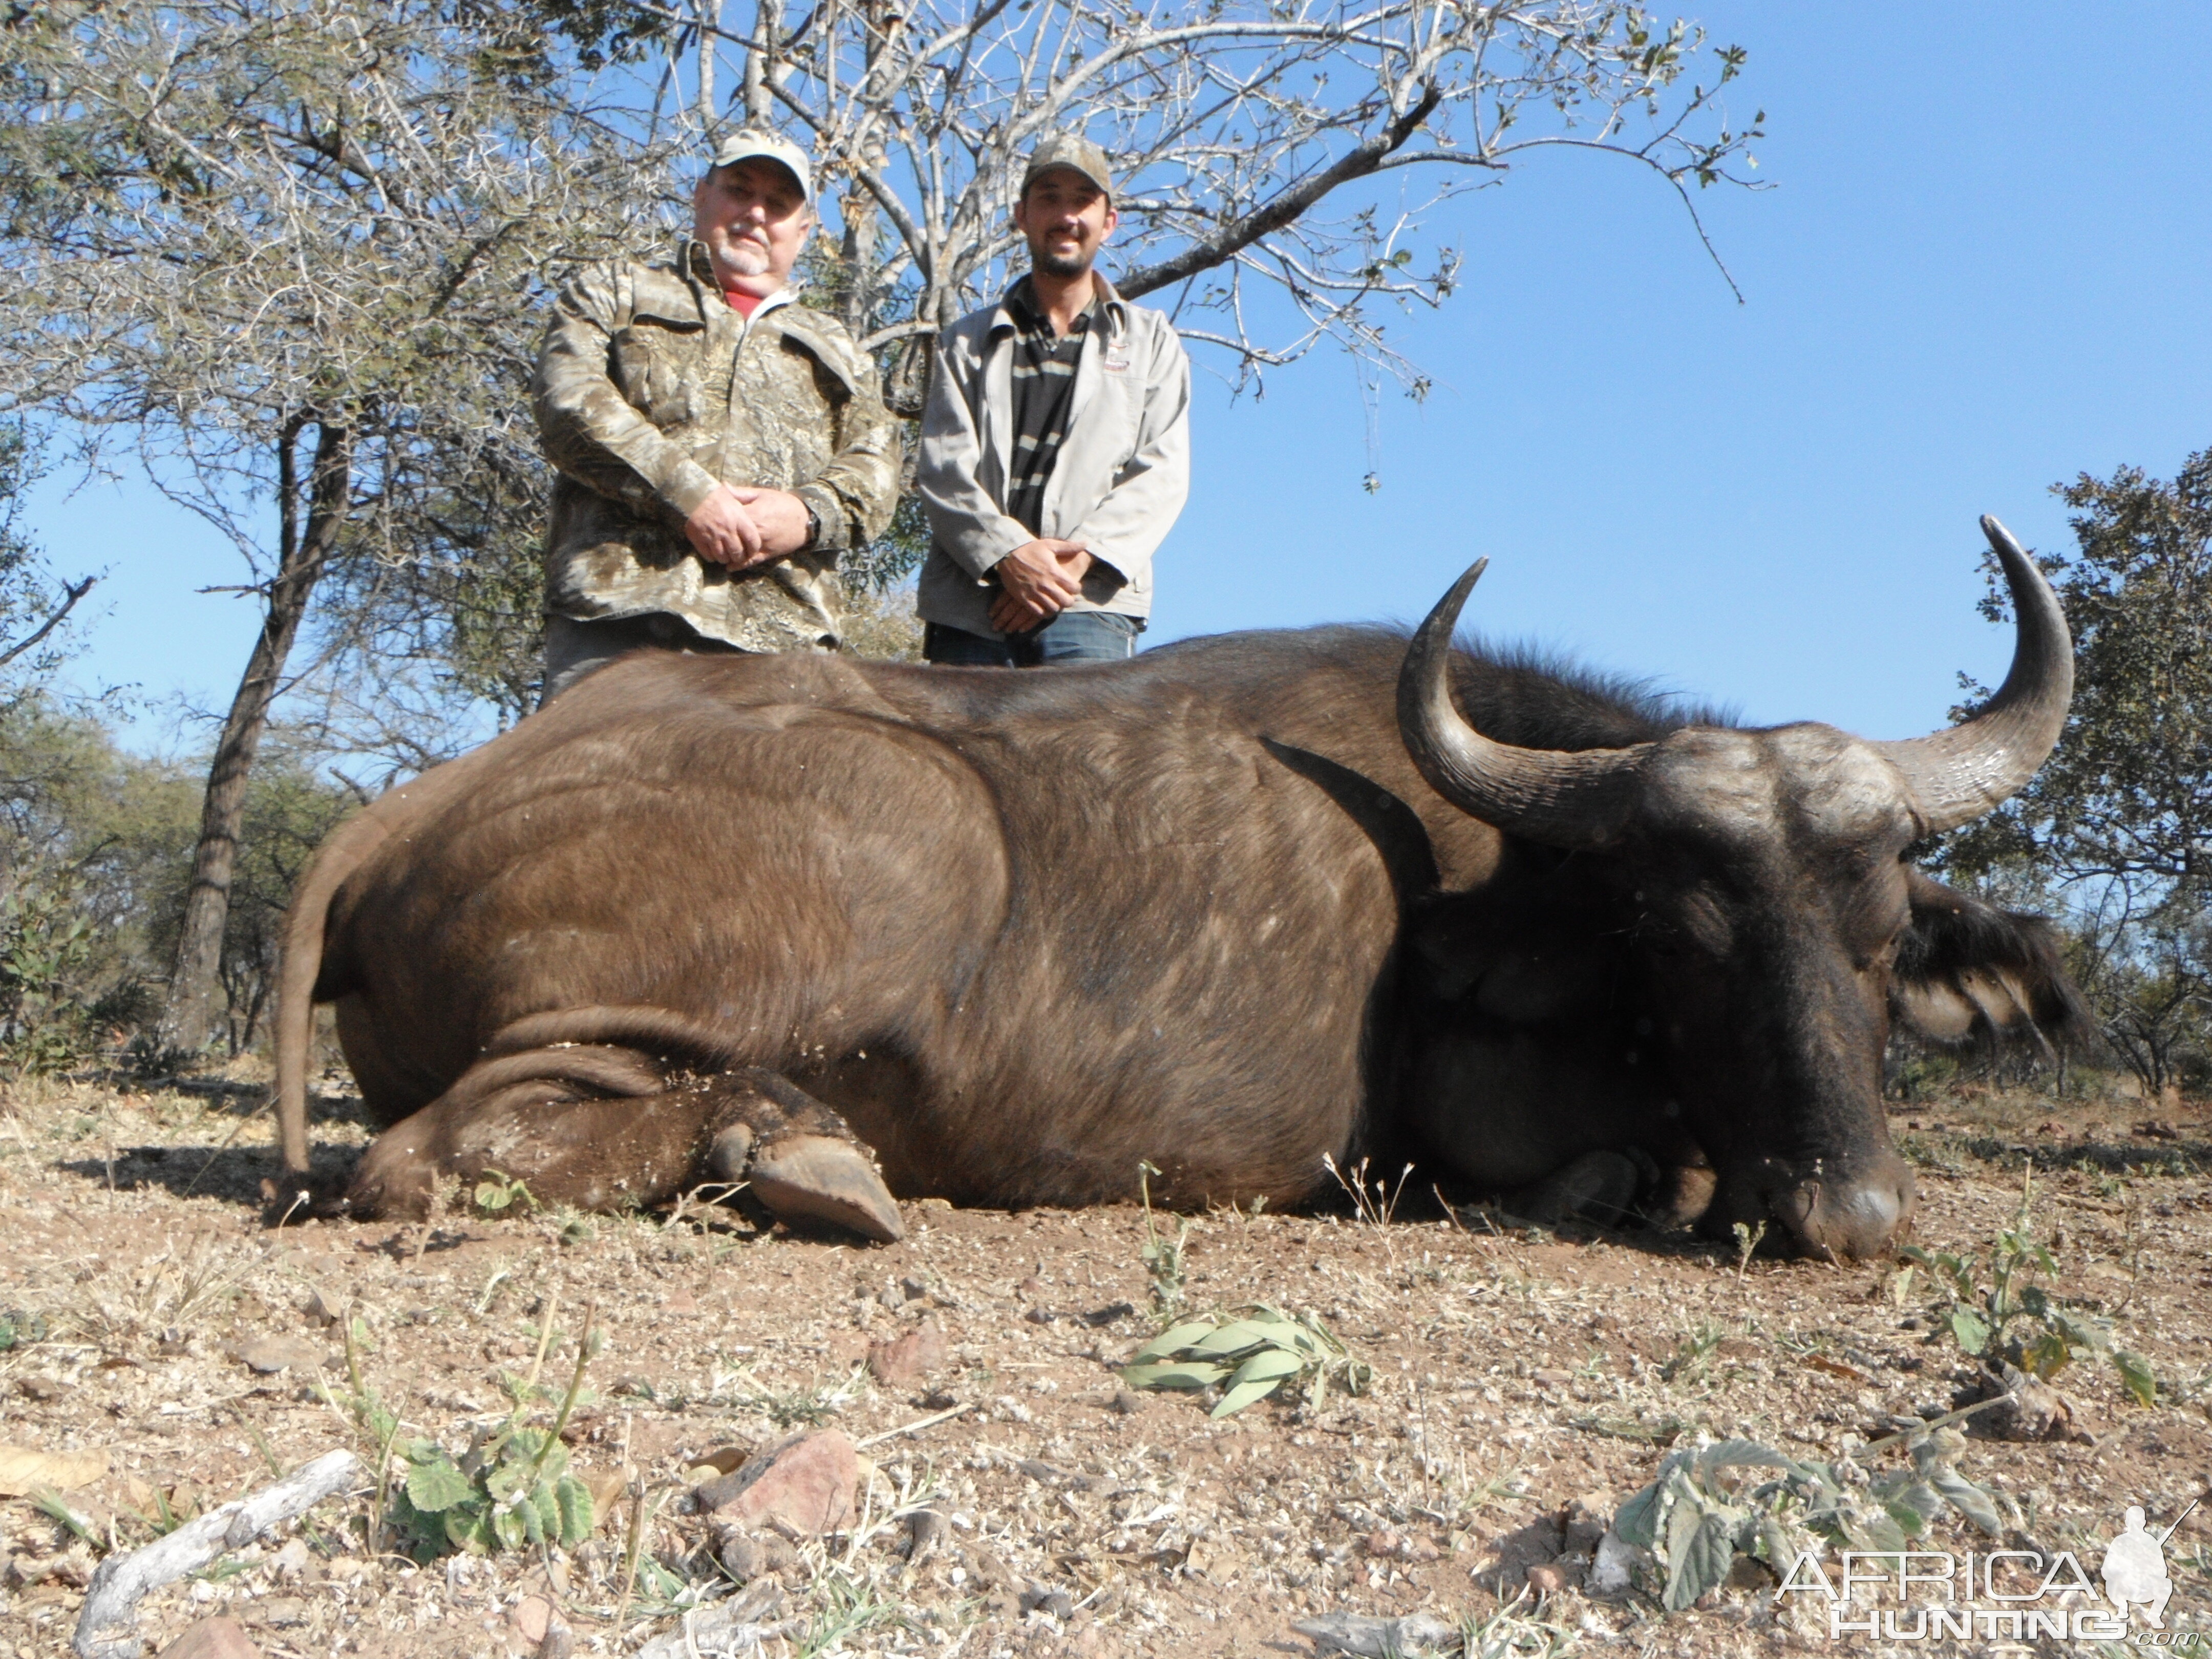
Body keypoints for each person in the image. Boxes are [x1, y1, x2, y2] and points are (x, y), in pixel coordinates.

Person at [532, 129, 900, 703]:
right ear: (701, 196)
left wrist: (806, 515)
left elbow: (877, 475)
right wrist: (688, 495)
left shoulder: (843, 350)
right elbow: (568, 400)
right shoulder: (614, 291)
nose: (756, 213)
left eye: (779, 205)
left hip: (781, 641)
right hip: (623, 617)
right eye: (739, 190)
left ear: (803, 232)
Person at [915, 132, 1190, 666]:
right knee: (957, 753)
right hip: (973, 607)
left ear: (1109, 222)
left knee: (1082, 752)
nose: (1066, 216)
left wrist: (1070, 567)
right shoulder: (964, 341)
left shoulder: (1151, 340)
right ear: (1022, 215)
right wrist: (1008, 556)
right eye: (1049, 198)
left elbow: (1162, 473)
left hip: (1089, 605)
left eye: (1082, 201)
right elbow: (943, 470)